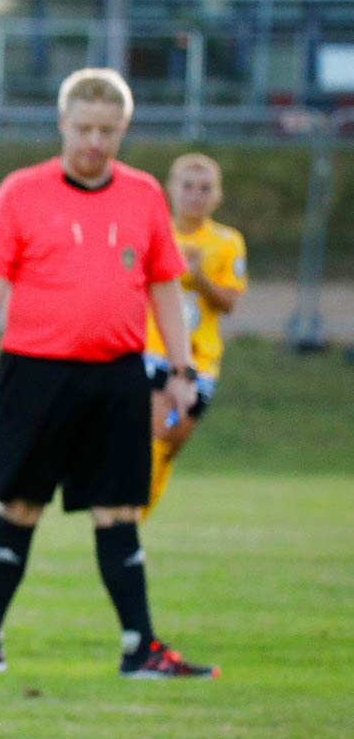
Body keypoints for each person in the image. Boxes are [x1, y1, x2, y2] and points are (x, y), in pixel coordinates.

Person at [0, 68, 217, 680]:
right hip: (35, 374)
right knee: (20, 505)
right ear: (63, 124)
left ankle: (140, 648)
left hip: (118, 375)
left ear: (122, 129)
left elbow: (165, 289)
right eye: (84, 128)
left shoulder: (145, 194)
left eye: (109, 130)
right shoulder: (21, 192)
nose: (95, 142)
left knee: (119, 509)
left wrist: (180, 369)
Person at [142, 153, 245, 517]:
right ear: (171, 189)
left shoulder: (226, 241)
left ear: (217, 196)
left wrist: (198, 276)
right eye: (187, 186)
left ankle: (140, 513)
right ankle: (126, 525)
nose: (195, 195)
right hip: (157, 350)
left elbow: (229, 301)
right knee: (154, 436)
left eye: (205, 189)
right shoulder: (155, 232)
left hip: (203, 358)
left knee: (171, 443)